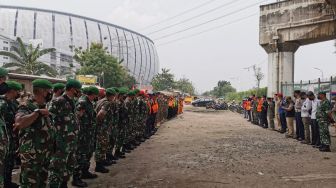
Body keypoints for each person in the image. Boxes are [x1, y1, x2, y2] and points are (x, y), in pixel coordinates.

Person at [14, 79, 54, 188]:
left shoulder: (44, 105)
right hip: (31, 154)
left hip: (44, 153)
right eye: (48, 91)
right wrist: (37, 113)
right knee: (29, 183)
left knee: (41, 182)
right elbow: (19, 123)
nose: (50, 93)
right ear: (42, 91)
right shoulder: (27, 106)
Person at [48, 79, 85, 187]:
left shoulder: (71, 101)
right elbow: (49, 118)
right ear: (73, 89)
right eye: (78, 90)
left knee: (69, 165)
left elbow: (70, 118)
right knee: (57, 166)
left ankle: (63, 184)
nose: (79, 92)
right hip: (61, 141)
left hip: (71, 140)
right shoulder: (58, 101)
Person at [73, 86, 99, 184]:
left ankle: (85, 172)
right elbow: (77, 117)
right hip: (83, 133)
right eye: (95, 95)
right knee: (80, 154)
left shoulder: (89, 102)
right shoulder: (82, 102)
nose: (96, 97)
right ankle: (76, 177)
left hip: (89, 133)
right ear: (92, 94)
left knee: (88, 152)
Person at [0, 81, 21, 188]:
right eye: (17, 91)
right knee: (4, 161)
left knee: (10, 161)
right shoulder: (2, 104)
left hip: (12, 137)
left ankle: (8, 182)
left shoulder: (14, 103)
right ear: (12, 91)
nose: (18, 93)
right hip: (5, 137)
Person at [95, 88, 117, 173]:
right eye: (114, 96)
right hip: (103, 128)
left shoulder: (100, 100)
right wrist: (101, 123)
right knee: (101, 146)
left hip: (102, 128)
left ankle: (101, 162)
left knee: (102, 145)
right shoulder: (107, 103)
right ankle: (99, 165)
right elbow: (100, 114)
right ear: (111, 96)